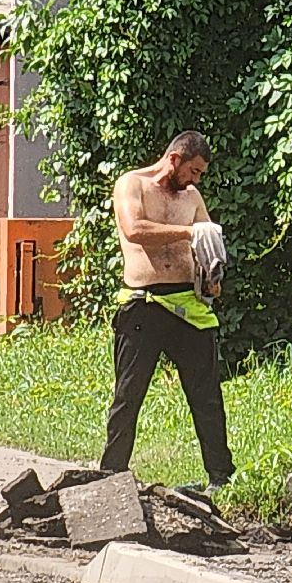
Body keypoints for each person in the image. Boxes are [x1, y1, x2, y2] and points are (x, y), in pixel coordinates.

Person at [100, 131, 235, 490]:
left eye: (200, 174)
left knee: (206, 394)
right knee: (129, 394)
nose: (195, 180)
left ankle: (221, 476)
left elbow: (207, 241)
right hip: (143, 303)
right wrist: (188, 233)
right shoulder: (133, 184)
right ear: (174, 159)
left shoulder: (192, 197)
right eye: (193, 171)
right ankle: (111, 476)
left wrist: (211, 277)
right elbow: (134, 229)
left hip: (188, 303)